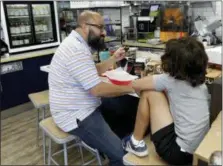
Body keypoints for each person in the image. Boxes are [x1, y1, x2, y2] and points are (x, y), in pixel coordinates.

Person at [48, 10, 135, 166]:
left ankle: (109, 142)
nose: (103, 33)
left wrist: (113, 59)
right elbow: (97, 90)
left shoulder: (78, 43)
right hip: (76, 114)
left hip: (83, 104)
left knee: (125, 105)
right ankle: (113, 149)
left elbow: (92, 70)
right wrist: (133, 87)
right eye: (100, 28)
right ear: (84, 25)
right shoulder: (75, 50)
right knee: (121, 157)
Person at [122, 37, 210, 165]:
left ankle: (135, 141)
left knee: (149, 92)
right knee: (161, 92)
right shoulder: (202, 84)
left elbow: (136, 85)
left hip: (177, 153)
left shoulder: (169, 80)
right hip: (198, 150)